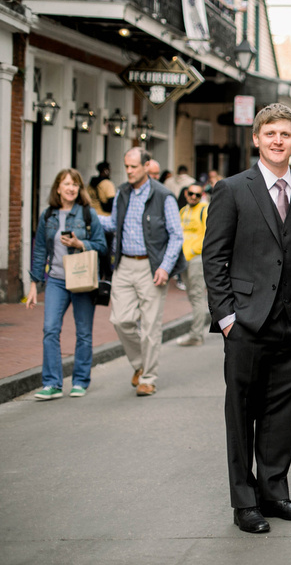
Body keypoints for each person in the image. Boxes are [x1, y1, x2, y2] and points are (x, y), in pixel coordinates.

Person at [202, 103, 291, 534]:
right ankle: (244, 501)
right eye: (269, 133)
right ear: (256, 138)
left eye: (285, 134)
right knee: (241, 412)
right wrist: (227, 318)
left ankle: (275, 493)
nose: (277, 141)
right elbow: (213, 256)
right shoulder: (232, 189)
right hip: (247, 323)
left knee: (281, 412)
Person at [99, 148, 185, 396]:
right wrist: (90, 216)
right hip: (124, 264)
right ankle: (139, 364)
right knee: (120, 320)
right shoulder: (122, 193)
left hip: (152, 266)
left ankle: (147, 377)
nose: (128, 171)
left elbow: (176, 235)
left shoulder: (163, 196)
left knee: (150, 326)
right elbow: (114, 224)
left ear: (146, 166)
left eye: (133, 167)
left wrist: (165, 267)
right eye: (126, 166)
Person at [26, 169, 108, 400]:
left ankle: (80, 381)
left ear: (79, 189)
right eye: (66, 183)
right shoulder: (47, 216)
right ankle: (52, 383)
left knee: (83, 333)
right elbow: (40, 250)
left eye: (75, 184)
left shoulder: (88, 214)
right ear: (58, 188)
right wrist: (34, 284)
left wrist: (80, 243)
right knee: (50, 329)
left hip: (82, 280)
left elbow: (102, 246)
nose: (71, 188)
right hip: (56, 281)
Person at [176, 184, 210, 346]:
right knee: (191, 295)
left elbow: (210, 234)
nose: (194, 197)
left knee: (196, 296)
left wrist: (195, 250)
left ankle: (196, 335)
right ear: (186, 193)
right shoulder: (183, 211)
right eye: (191, 194)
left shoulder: (204, 209)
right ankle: (195, 332)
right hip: (184, 259)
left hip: (196, 258)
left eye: (197, 195)